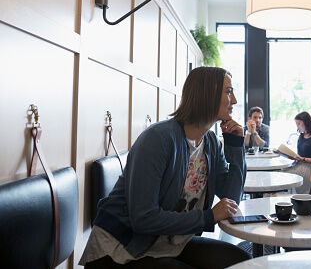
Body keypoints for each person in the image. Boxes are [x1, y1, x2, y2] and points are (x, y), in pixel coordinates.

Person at [80, 67, 250, 269]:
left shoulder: (211, 142)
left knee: (242, 263)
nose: (235, 100)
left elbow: (231, 199)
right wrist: (208, 217)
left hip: (168, 243)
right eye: (229, 92)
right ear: (208, 93)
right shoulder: (158, 139)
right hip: (121, 248)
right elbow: (143, 218)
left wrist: (235, 146)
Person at [283, 111, 311, 194]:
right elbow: (300, 155)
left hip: (310, 167)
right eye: (296, 124)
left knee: (285, 175)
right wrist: (294, 157)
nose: (297, 127)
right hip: (300, 164)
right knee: (281, 171)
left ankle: (297, 197)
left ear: (306, 122)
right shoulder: (301, 136)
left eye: (299, 124)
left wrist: (304, 159)